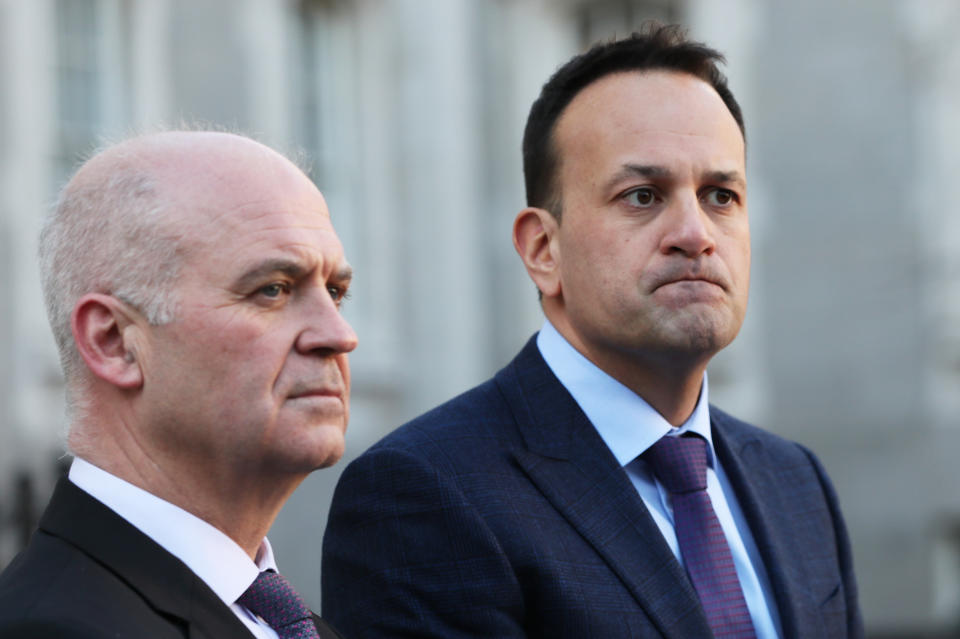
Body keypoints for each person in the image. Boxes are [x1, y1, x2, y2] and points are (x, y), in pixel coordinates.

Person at [321, 25, 862, 639]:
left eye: (720, 195)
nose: (695, 232)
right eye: (642, 195)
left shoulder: (795, 482)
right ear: (543, 249)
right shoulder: (422, 494)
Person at [0, 131, 356, 638]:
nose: (340, 335)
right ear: (116, 342)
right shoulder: (51, 626)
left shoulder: (286, 621)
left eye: (336, 292)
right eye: (273, 290)